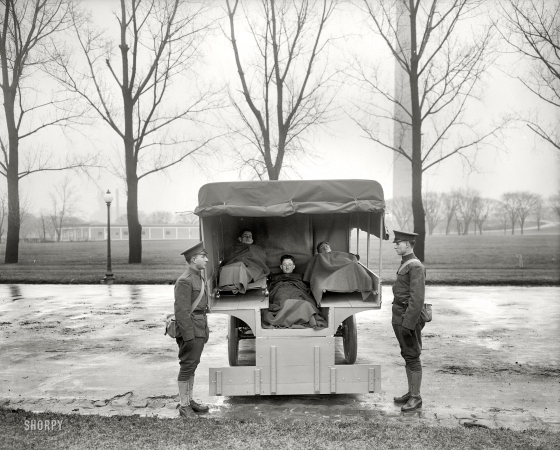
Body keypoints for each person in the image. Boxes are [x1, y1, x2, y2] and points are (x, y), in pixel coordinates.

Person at [174, 242, 210, 419]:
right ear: (194, 259)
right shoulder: (185, 280)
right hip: (191, 331)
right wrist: (188, 336)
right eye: (204, 257)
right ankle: (184, 405)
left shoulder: (198, 277)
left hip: (199, 327)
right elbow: (181, 312)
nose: (207, 260)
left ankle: (189, 400)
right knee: (187, 366)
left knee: (193, 365)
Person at [391, 230, 426, 412]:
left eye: (398, 242)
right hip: (399, 316)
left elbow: (417, 299)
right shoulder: (406, 263)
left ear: (408, 244)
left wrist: (408, 323)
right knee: (407, 354)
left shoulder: (415, 266)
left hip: (406, 318)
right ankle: (411, 392)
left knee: (412, 355)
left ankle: (416, 397)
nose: (395, 245)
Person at [261, 255, 327, 329]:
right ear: (281, 267)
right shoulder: (274, 277)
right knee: (282, 299)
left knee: (304, 302)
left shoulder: (301, 277)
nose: (287, 267)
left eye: (290, 265)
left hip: (297, 290)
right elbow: (270, 288)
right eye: (285, 265)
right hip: (281, 290)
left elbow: (306, 287)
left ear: (293, 266)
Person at [218, 229, 269, 293]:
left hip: (252, 266)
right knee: (235, 267)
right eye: (245, 236)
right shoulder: (234, 249)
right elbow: (229, 259)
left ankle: (238, 283)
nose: (248, 238)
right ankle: (232, 284)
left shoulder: (257, 248)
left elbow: (262, 259)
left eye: (250, 236)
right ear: (240, 239)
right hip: (236, 264)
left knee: (245, 270)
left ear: (252, 240)